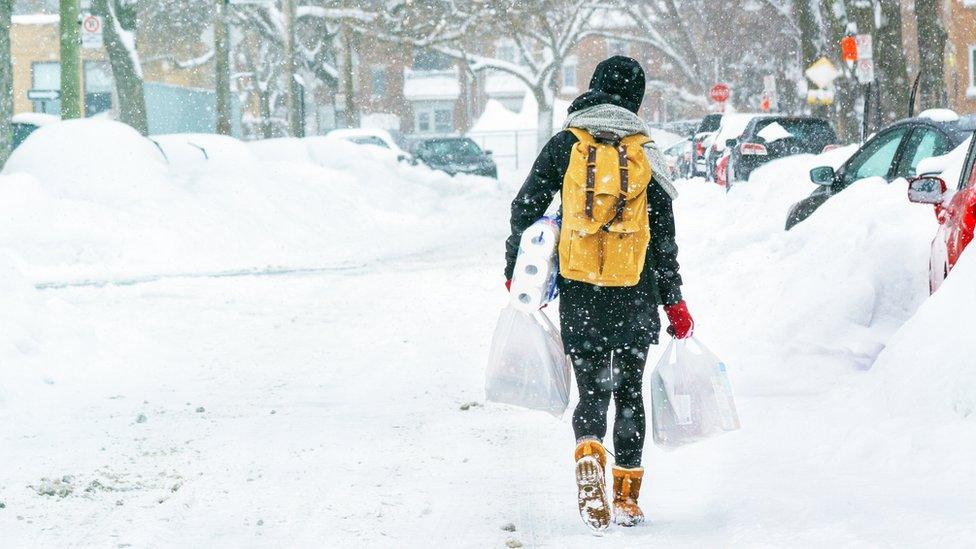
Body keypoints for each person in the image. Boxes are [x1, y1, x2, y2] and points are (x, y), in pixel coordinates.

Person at [503, 56, 694, 531]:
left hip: (581, 286)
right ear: (637, 97)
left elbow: (525, 205)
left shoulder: (568, 143)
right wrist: (673, 299)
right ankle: (627, 498)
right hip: (635, 288)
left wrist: (517, 269)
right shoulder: (646, 151)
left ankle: (589, 454)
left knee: (592, 388)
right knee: (629, 389)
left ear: (593, 88)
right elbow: (664, 239)